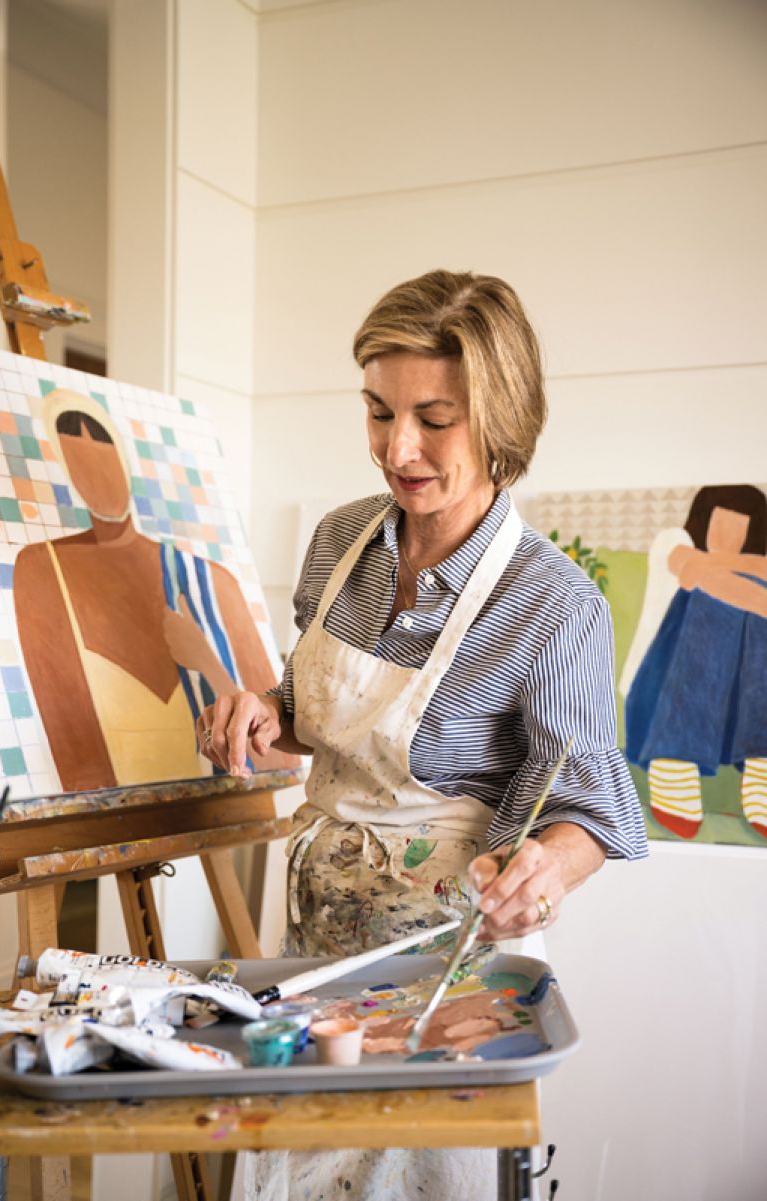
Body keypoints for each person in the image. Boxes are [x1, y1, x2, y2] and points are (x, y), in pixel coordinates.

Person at [199, 269, 647, 1201]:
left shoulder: (553, 604)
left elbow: (588, 807)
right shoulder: (341, 542)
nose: (396, 448)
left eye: (434, 419)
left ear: (501, 420)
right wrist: (266, 711)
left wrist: (544, 872)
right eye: (378, 411)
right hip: (311, 951)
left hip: (447, 976)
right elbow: (312, 713)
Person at [14, 388, 293, 792]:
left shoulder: (209, 579)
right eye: (80, 462)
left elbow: (278, 755)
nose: (98, 477)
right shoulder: (43, 568)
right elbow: (72, 758)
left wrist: (206, 660)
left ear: (126, 465)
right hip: (104, 815)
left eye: (106, 458)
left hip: (218, 803)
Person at [621, 483, 767, 840]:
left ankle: (761, 763)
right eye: (721, 526)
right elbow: (694, 572)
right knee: (711, 596)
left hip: (733, 704)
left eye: (739, 530)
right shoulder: (673, 539)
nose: (729, 540)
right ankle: (674, 761)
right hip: (662, 694)